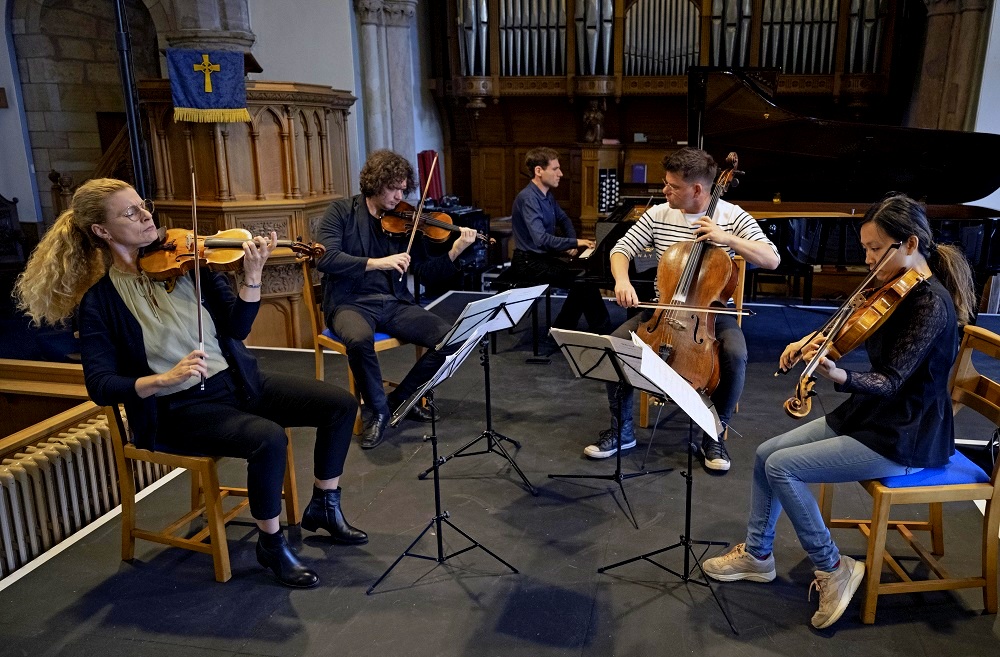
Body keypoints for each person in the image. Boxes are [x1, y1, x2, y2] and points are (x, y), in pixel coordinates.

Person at [14, 178, 367, 589]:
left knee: (339, 403)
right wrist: (162, 378)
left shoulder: (189, 265)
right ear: (102, 231)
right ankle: (270, 545)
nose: (147, 215)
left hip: (238, 383)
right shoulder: (100, 303)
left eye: (142, 205)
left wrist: (252, 276)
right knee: (268, 438)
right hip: (179, 410)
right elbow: (100, 385)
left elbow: (236, 328)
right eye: (130, 212)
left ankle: (325, 504)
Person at [702, 193, 976, 629]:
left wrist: (840, 377)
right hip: (870, 416)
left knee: (783, 469)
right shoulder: (894, 287)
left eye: (873, 248)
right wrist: (812, 340)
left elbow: (889, 382)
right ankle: (757, 556)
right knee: (764, 455)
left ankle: (834, 567)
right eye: (865, 248)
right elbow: (848, 322)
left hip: (905, 433)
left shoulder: (929, 304)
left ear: (908, 244)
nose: (866, 260)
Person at [585, 147, 780, 470]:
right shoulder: (659, 214)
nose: (665, 191)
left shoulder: (732, 217)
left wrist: (726, 239)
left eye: (672, 186)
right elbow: (621, 249)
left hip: (708, 316)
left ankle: (714, 434)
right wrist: (622, 281)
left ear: (698, 190)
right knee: (615, 345)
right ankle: (623, 431)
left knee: (735, 354)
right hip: (662, 309)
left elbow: (771, 258)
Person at [316, 150, 478, 449]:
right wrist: (377, 263)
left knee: (453, 338)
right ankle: (376, 413)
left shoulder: (405, 220)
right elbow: (326, 258)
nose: (399, 195)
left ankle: (400, 399)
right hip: (349, 302)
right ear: (375, 183)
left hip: (393, 302)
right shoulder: (340, 212)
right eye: (393, 188)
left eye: (403, 189)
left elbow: (427, 272)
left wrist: (455, 250)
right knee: (359, 339)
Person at [509, 147, 610, 334]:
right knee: (583, 281)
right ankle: (595, 331)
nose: (561, 174)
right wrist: (574, 243)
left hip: (541, 260)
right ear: (539, 171)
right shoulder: (528, 198)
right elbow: (541, 240)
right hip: (528, 263)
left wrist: (571, 241)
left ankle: (563, 329)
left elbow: (563, 219)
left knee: (583, 279)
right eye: (555, 169)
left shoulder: (546, 195)